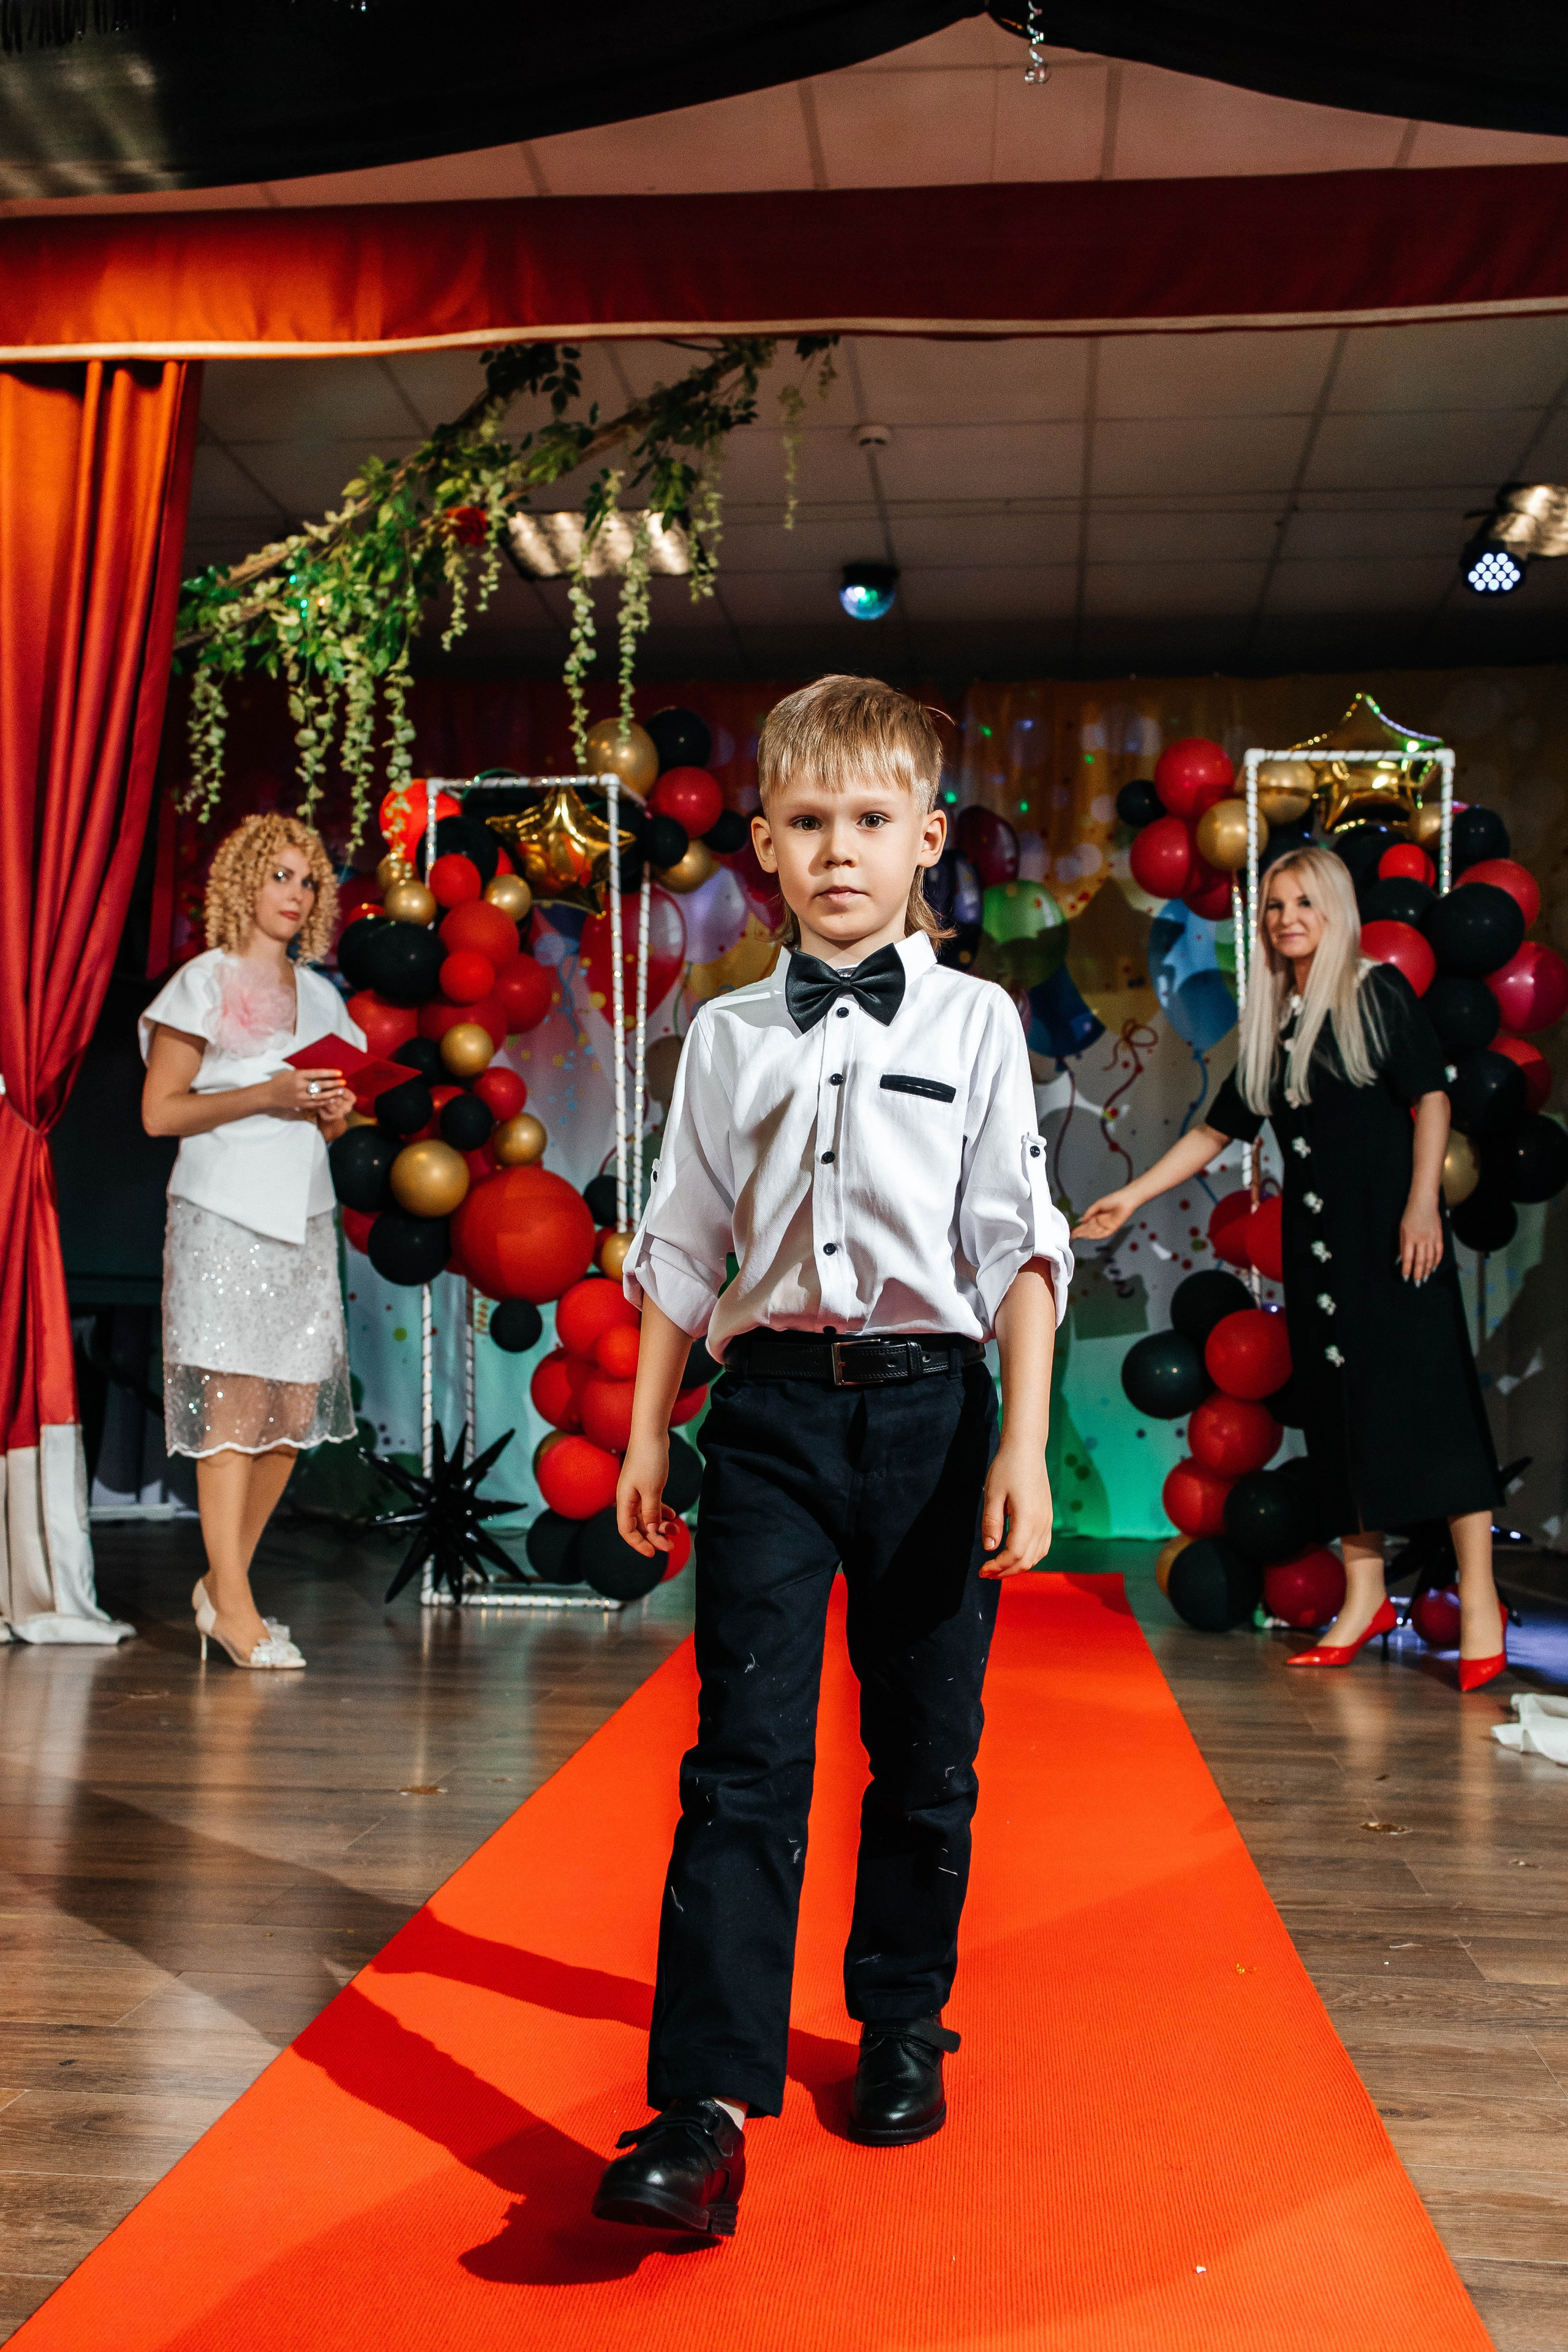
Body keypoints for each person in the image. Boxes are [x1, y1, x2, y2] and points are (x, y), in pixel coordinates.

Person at [589, 675, 1072, 2242]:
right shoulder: (723, 1037)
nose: (839, 851)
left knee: (924, 1755)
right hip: (775, 1419)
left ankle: (901, 2020)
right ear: (763, 847)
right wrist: (653, 1424)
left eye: (871, 822)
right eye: (807, 824)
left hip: (934, 1418)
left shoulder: (977, 1022)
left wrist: (1027, 1449)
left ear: (925, 838)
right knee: (744, 1761)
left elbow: (1015, 1241)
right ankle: (702, 2108)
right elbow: (678, 1244)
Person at [1074, 843, 1506, 1689]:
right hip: (1319, 1260)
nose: (1287, 919)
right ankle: (1364, 1597)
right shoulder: (1276, 1022)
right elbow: (1215, 1130)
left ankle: (1482, 1604)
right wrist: (1131, 1197)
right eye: (1274, 906)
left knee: (1435, 1412)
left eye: (1303, 902)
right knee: (1339, 1424)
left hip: (1395, 1244)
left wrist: (1424, 1205)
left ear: (1334, 909)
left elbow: (1432, 1100)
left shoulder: (1374, 991)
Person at [140, 813, 361, 1671]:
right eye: (279, 875)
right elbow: (161, 1113)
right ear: (242, 881)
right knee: (231, 1415)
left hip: (303, 1219)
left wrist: (334, 1115)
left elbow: (327, 1123)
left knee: (291, 1415)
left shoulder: (324, 997)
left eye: (308, 881)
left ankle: (222, 1585)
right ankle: (232, 1605)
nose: (295, 894)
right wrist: (264, 1096)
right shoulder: (201, 983)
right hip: (222, 1216)